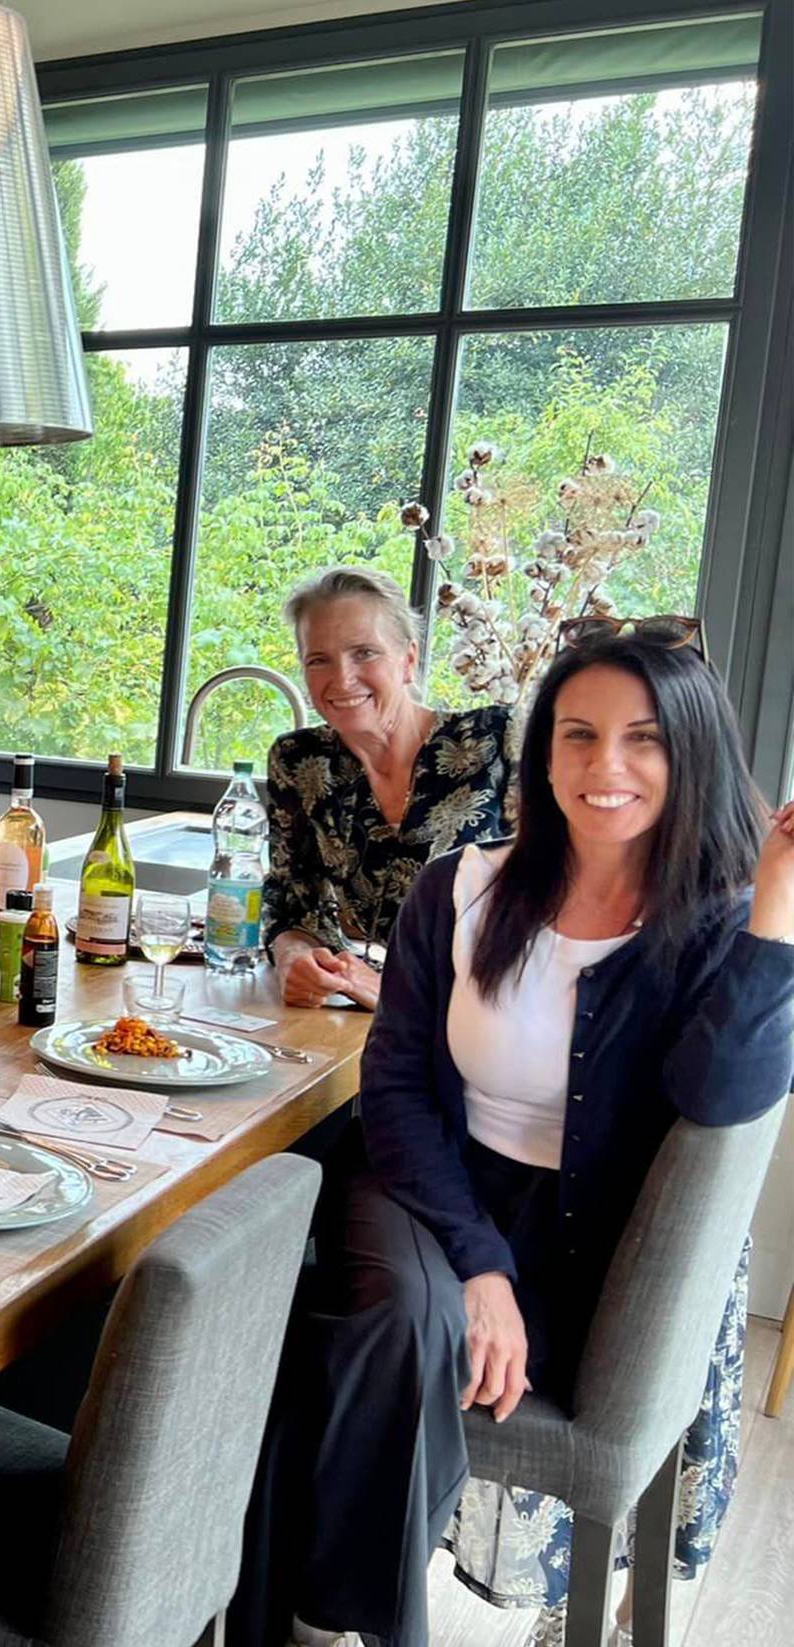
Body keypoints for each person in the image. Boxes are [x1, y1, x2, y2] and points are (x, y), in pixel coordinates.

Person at [242, 619, 794, 1647]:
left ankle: (313, 1608)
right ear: (542, 754)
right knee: (399, 1316)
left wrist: (779, 906)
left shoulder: (718, 923)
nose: (606, 767)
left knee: (375, 1339)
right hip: (428, 1182)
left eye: (645, 740)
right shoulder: (462, 887)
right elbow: (396, 1087)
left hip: (592, 1239)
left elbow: (722, 1099)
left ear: (694, 753)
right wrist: (482, 1271)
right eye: (576, 736)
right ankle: (339, 1626)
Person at [266, 566, 515, 1011]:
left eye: (364, 653)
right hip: (368, 1027)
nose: (341, 679)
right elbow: (290, 902)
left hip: (482, 1027)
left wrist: (389, 993)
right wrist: (296, 959)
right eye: (318, 659)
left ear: (409, 660)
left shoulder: (497, 742)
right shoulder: (301, 761)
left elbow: (549, 923)